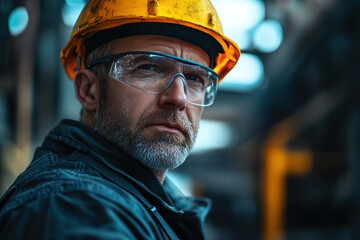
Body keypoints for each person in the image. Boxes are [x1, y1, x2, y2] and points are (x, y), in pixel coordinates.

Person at [0, 0, 240, 239]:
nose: (178, 97)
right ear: (89, 90)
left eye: (195, 78)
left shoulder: (143, 201)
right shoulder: (71, 205)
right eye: (149, 67)